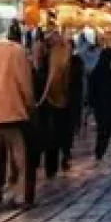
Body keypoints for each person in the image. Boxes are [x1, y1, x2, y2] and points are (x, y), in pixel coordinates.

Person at [0, 16, 35, 207]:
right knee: (18, 156)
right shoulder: (18, 52)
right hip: (14, 109)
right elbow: (24, 82)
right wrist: (29, 105)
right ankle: (20, 194)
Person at [39, 30, 72, 178]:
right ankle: (59, 161)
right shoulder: (60, 54)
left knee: (53, 134)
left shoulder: (58, 54)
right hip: (58, 100)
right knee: (58, 133)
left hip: (54, 100)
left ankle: (53, 166)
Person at [88, 41, 111, 161]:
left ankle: (99, 151)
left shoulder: (97, 70)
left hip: (99, 106)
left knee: (102, 129)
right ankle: (100, 150)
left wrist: (92, 103)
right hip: (107, 106)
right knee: (106, 129)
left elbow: (91, 88)